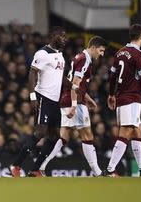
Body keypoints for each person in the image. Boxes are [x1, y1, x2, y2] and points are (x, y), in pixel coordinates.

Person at [102, 24, 141, 177]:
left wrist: (111, 94)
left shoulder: (119, 53)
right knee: (126, 132)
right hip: (131, 98)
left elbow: (112, 76)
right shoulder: (139, 54)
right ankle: (110, 170)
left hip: (122, 97)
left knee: (138, 132)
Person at [39, 36, 107, 176]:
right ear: (93, 47)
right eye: (100, 50)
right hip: (73, 101)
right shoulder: (85, 59)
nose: (102, 54)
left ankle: (39, 166)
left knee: (63, 137)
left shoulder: (79, 56)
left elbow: (75, 83)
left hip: (67, 99)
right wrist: (75, 105)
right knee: (87, 135)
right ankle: (98, 172)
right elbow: (75, 83)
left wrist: (87, 97)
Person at [10, 27, 67, 177]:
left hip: (55, 101)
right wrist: (33, 97)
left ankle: (35, 169)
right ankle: (16, 165)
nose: (64, 39)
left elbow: (60, 78)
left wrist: (74, 86)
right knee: (41, 132)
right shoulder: (42, 53)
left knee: (55, 137)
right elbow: (32, 73)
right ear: (53, 36)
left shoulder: (60, 55)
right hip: (43, 97)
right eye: (62, 36)